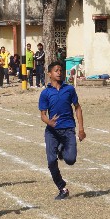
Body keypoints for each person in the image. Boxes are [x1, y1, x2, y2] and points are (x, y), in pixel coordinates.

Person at [39, 62, 86, 200]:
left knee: (70, 159)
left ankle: (61, 149)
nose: (59, 72)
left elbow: (77, 107)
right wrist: (49, 122)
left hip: (68, 130)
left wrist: (81, 129)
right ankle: (62, 188)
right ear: (49, 74)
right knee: (51, 161)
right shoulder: (45, 93)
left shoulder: (69, 89)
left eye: (61, 70)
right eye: (56, 70)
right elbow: (43, 114)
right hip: (52, 132)